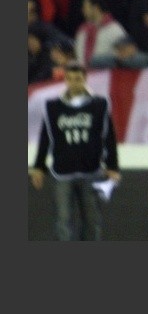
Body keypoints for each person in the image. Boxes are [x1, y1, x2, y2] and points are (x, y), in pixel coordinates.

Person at [28, 61, 122, 241]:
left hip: (91, 170)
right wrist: (39, 167)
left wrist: (113, 166)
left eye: (77, 78)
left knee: (92, 220)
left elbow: (109, 137)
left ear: (85, 79)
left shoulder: (99, 105)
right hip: (63, 172)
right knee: (63, 221)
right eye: (69, 79)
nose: (73, 83)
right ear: (65, 80)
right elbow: (46, 138)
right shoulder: (53, 107)